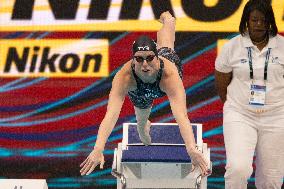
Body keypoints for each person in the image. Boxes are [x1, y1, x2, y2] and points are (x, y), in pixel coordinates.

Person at [80, 11, 210, 177]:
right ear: (133, 59)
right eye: (139, 59)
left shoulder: (170, 74)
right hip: (139, 89)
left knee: (167, 43)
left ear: (156, 57)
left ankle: (168, 20)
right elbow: (111, 115)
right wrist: (98, 148)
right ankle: (143, 126)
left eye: (150, 57)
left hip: (163, 76)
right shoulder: (124, 77)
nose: (145, 64)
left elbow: (181, 116)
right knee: (142, 127)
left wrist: (191, 149)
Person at [215, 0, 284, 188]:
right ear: (246, 21)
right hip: (240, 114)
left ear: (270, 21)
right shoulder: (232, 47)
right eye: (254, 20)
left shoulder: (282, 46)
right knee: (238, 169)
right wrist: (236, 106)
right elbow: (222, 82)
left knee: (272, 178)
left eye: (263, 20)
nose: (259, 25)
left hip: (277, 117)